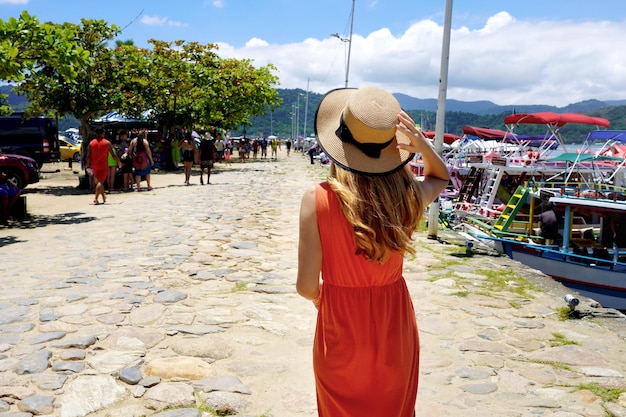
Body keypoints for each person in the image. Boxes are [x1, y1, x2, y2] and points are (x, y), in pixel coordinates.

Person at [296, 86, 449, 417]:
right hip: (394, 326)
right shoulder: (407, 197)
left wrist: (324, 297)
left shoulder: (318, 199)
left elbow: (306, 286)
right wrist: (421, 145)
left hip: (340, 326)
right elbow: (440, 177)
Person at [86, 127, 121, 205]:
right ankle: (96, 198)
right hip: (103, 165)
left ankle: (103, 196)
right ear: (103, 133)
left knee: (98, 181)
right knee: (100, 181)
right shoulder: (107, 143)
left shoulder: (91, 143)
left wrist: (88, 165)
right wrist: (119, 162)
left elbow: (88, 156)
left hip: (94, 165)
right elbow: (113, 155)